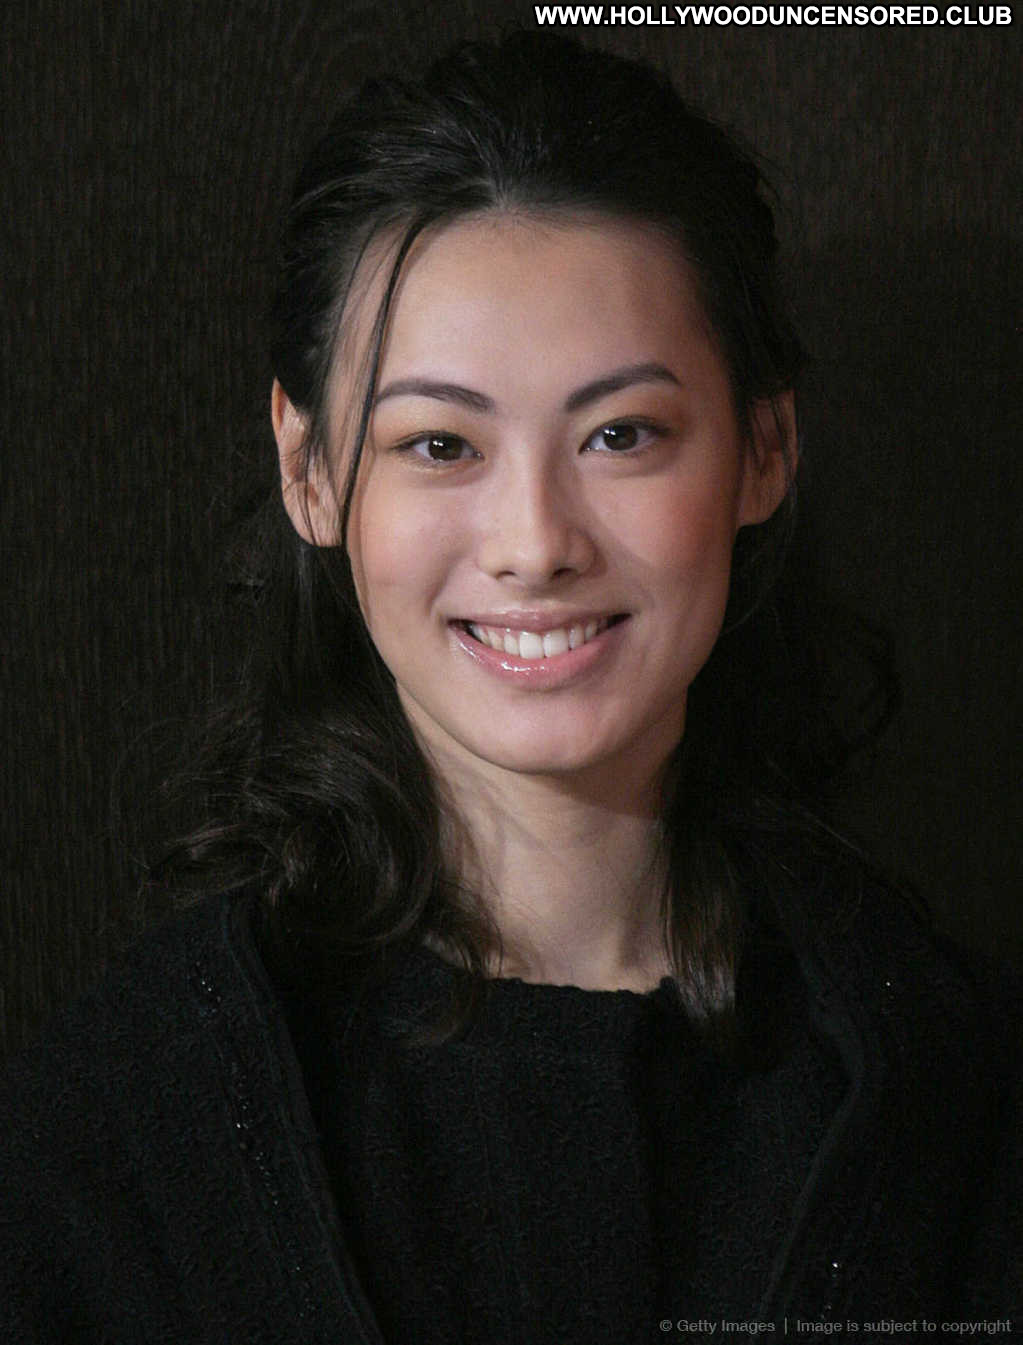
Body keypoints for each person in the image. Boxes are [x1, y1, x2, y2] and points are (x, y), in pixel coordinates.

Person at [1, 31, 1018, 1342]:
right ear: (309, 471)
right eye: (439, 443)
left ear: (764, 450)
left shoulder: (964, 1090)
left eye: (622, 434)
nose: (535, 543)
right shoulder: (119, 1132)